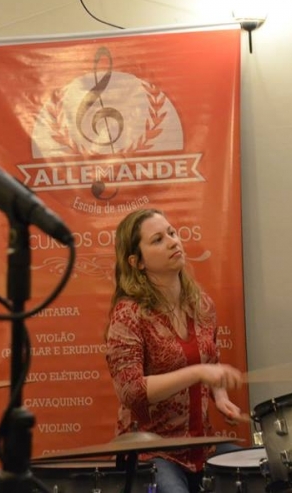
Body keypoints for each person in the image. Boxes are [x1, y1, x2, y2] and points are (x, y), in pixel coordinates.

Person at [105, 208, 247, 493]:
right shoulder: (128, 314)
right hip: (151, 451)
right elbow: (131, 391)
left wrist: (220, 396)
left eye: (172, 233)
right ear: (137, 262)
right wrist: (197, 373)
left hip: (200, 445)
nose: (173, 242)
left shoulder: (202, 305)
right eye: (157, 240)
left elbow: (210, 359)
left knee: (262, 473)